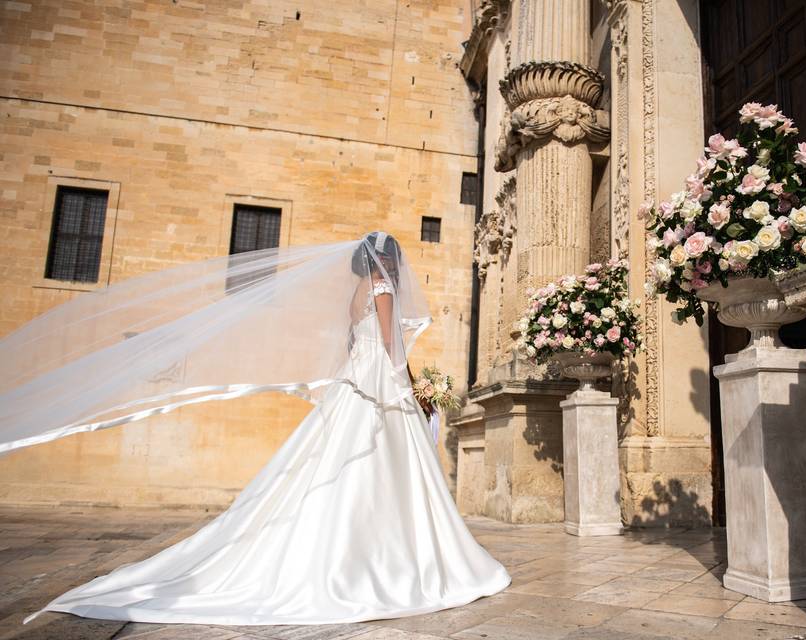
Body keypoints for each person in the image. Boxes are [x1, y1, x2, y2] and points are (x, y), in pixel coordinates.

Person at [0, 231, 510, 625]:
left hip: (355, 385)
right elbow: (392, 351)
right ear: (388, 261)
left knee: (331, 467)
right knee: (385, 473)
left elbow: (352, 348)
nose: (400, 268)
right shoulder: (380, 289)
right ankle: (385, 560)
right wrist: (416, 393)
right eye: (396, 259)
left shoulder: (353, 293)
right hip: (380, 388)